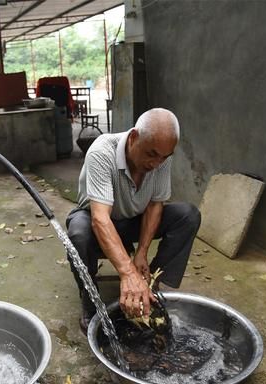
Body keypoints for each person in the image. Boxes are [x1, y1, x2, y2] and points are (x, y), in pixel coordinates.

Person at [66, 108, 201, 335]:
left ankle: (149, 287)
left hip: (131, 221)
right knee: (78, 234)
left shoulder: (161, 157)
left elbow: (155, 204)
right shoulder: (101, 152)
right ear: (133, 138)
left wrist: (142, 253)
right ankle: (91, 303)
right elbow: (100, 219)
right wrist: (127, 273)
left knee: (188, 215)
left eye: (164, 157)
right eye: (151, 154)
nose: (156, 163)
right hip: (96, 221)